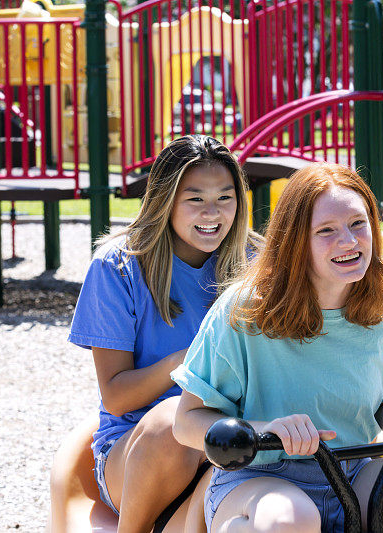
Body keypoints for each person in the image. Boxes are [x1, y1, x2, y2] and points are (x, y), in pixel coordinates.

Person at [171, 162, 383, 533]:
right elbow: (186, 422)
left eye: (358, 224)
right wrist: (267, 430)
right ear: (295, 243)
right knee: (289, 520)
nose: (349, 241)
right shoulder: (245, 310)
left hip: (355, 472)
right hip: (260, 480)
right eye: (326, 230)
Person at [68, 135, 260, 533]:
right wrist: (185, 363)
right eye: (195, 199)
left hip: (237, 445)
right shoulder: (117, 267)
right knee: (175, 420)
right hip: (138, 452)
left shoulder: (256, 262)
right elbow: (117, 397)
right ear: (165, 201)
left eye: (226, 198)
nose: (213, 213)